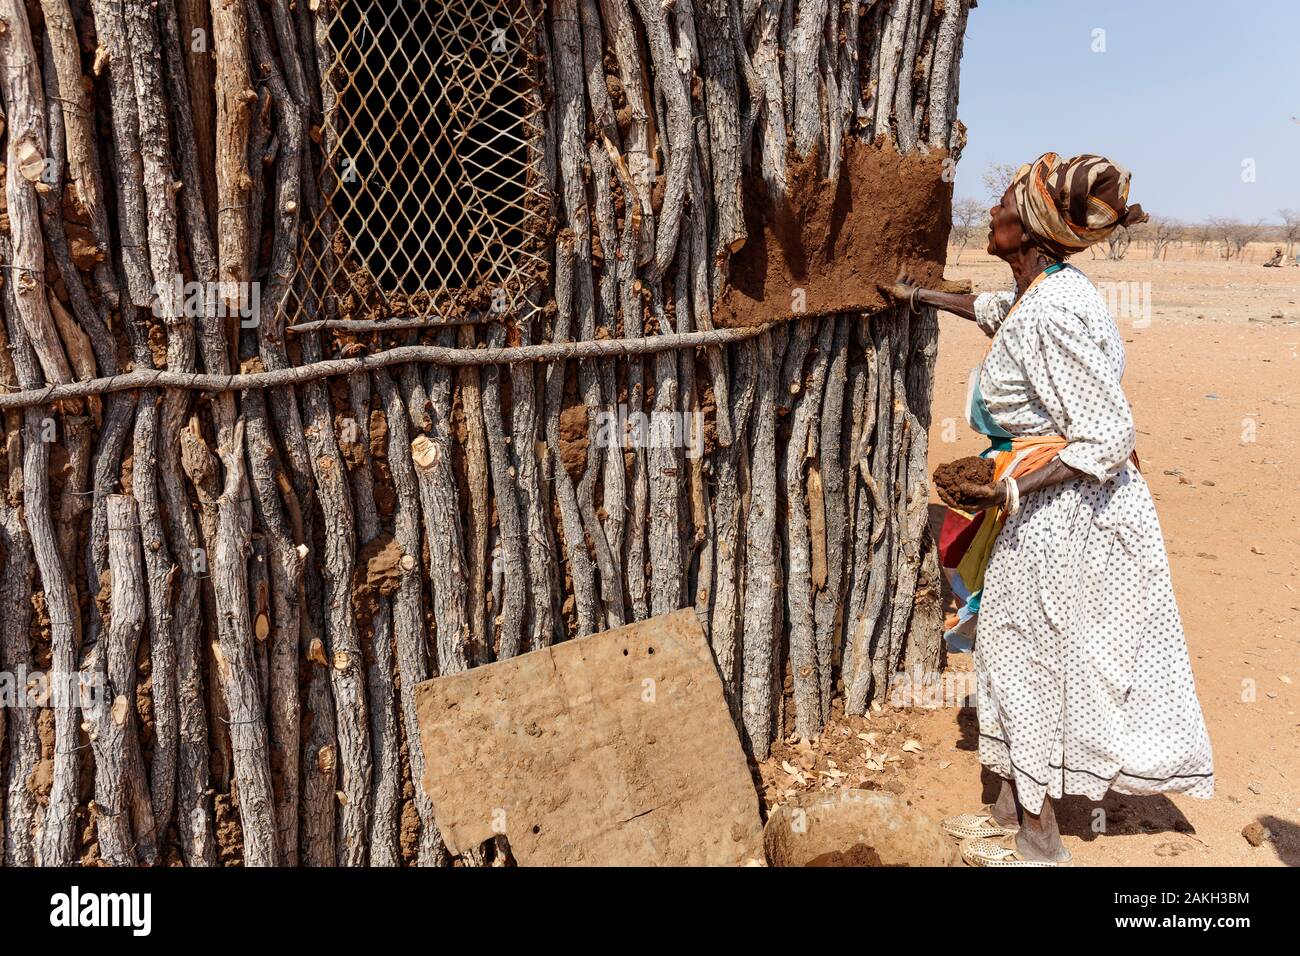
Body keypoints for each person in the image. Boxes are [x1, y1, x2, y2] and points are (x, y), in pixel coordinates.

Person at [894, 153, 1213, 867]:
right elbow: (996, 313)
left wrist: (1011, 487)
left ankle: (1039, 843)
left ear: (1030, 229)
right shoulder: (1042, 292)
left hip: (1070, 514)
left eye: (1006, 206)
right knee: (1008, 651)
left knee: (1029, 660)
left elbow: (1107, 433)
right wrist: (920, 298)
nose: (994, 213)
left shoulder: (1059, 310)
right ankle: (1011, 811)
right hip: (1055, 507)